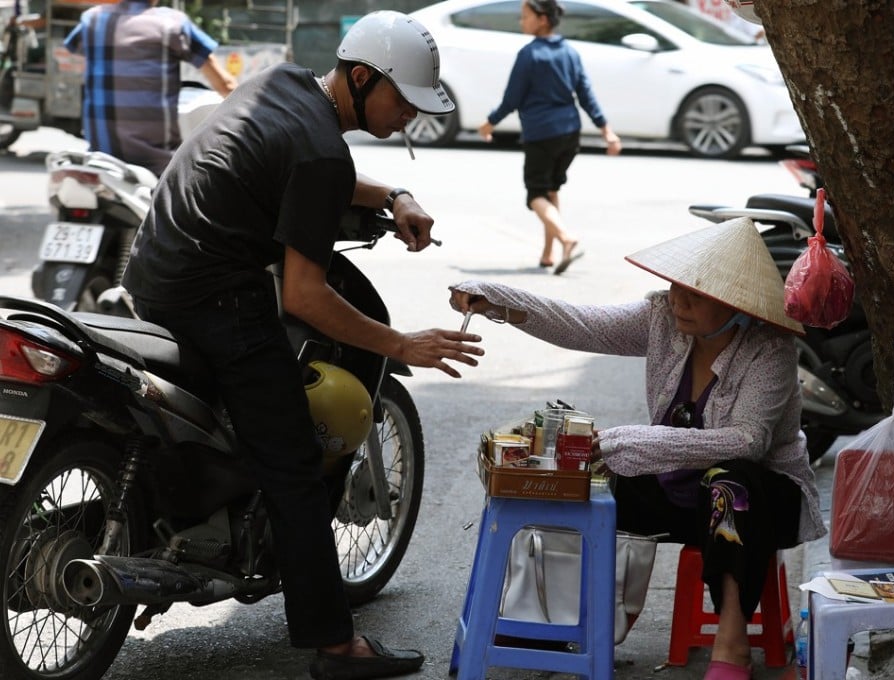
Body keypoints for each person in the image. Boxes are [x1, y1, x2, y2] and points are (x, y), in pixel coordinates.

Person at [120, 11, 482, 680]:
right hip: (217, 302)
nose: (407, 115)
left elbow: (294, 167)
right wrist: (403, 344)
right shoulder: (321, 152)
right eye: (401, 99)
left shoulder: (280, 84)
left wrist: (395, 193)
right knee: (293, 465)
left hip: (150, 277)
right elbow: (307, 299)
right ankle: (336, 646)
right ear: (364, 77)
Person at [449, 217, 825, 680]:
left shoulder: (771, 350)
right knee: (578, 479)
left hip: (765, 502)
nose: (678, 301)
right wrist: (499, 301)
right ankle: (546, 618)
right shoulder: (662, 319)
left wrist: (629, 438)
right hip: (677, 492)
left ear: (734, 303)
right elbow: (583, 325)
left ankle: (733, 642)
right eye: (675, 288)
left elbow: (747, 441)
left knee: (729, 482)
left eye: (697, 294)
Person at [479, 0, 622, 274]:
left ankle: (566, 238)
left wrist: (489, 124)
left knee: (535, 194)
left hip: (541, 133)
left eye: (525, 16)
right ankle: (548, 253)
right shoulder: (570, 52)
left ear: (542, 19)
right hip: (569, 133)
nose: (521, 22)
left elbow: (512, 99)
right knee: (551, 190)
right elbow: (586, 95)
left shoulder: (529, 54)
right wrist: (606, 130)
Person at [64, 0, 237, 175]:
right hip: (155, 164)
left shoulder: (92, 19)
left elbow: (73, 47)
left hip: (99, 159)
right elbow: (225, 85)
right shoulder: (172, 23)